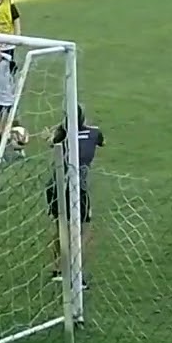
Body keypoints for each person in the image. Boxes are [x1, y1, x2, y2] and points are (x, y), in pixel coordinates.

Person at [47, 105, 104, 287]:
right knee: (84, 230)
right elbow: (102, 142)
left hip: (55, 184)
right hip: (78, 186)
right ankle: (77, 274)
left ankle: (58, 269)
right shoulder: (94, 133)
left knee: (60, 227)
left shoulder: (61, 135)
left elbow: (51, 142)